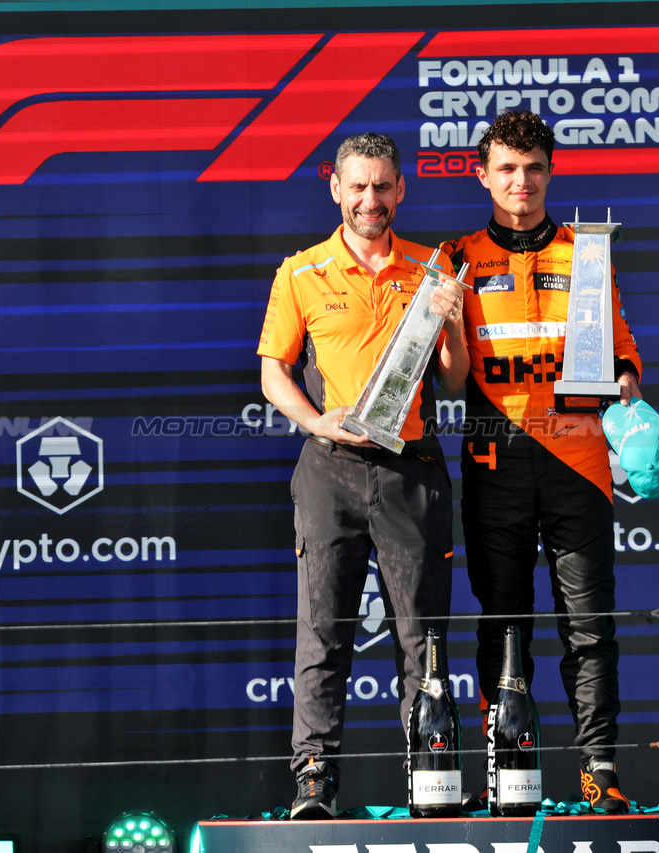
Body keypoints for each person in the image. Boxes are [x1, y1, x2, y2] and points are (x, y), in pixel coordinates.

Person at [258, 132, 468, 819]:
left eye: (382, 186)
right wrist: (317, 423)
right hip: (331, 469)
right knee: (323, 633)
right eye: (358, 186)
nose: (370, 199)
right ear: (336, 189)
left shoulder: (434, 267)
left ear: (400, 189)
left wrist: (455, 325)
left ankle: (431, 781)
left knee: (423, 638)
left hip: (412, 470)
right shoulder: (301, 271)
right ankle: (314, 785)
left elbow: (454, 378)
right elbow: (273, 373)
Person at [441, 110, 642, 812]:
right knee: (502, 618)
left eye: (532, 169)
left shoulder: (586, 253)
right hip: (494, 458)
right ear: (483, 174)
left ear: (551, 171)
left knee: (589, 624)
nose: (520, 182)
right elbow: (445, 374)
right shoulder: (455, 256)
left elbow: (621, 359)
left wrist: (628, 398)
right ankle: (511, 767)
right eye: (506, 169)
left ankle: (599, 767)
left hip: (579, 461)